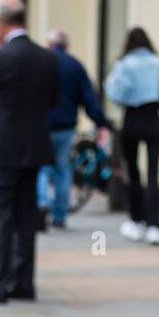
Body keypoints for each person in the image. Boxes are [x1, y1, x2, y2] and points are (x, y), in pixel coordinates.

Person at [0, 0, 58, 303]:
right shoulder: (46, 57)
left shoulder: (0, 57)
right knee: (25, 216)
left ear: (5, 23)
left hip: (1, 147)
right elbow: (53, 100)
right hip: (33, 147)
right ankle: (23, 283)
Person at [104, 27, 159, 246]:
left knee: (134, 171)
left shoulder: (125, 65)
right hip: (153, 117)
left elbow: (116, 93)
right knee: (154, 173)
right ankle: (155, 225)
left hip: (133, 117)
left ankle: (136, 219)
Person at [39, 29, 112, 230]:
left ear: (48, 44)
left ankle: (42, 203)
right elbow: (89, 98)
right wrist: (101, 121)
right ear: (67, 46)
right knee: (62, 169)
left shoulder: (42, 63)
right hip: (65, 127)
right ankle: (60, 215)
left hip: (42, 125)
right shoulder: (75, 65)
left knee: (42, 168)